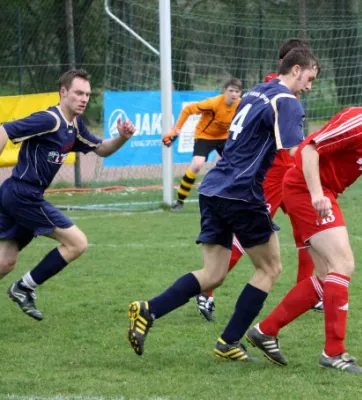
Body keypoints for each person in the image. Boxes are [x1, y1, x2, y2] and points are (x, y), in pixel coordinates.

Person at [127, 48, 320, 359]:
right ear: (296, 69)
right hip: (241, 193)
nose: (310, 86)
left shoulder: (257, 91)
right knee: (270, 268)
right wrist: (320, 186)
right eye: (310, 78)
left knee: (213, 273)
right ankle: (229, 342)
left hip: (213, 188)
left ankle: (148, 310)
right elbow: (297, 152)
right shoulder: (286, 101)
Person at [245, 74, 362, 373]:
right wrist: (318, 194)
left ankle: (266, 331)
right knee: (343, 264)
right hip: (307, 191)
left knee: (325, 278)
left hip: (315, 192)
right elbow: (308, 149)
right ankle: (334, 352)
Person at [194, 38, 320, 323]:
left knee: (309, 229)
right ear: (291, 66)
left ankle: (309, 292)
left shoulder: (274, 89)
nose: (309, 85)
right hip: (272, 174)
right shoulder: (276, 90)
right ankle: (207, 290)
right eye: (309, 76)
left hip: (291, 173)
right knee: (249, 236)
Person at [0, 69, 136, 320]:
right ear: (63, 92)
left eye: (87, 94)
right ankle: (23, 287)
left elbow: (102, 149)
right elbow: (5, 129)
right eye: (78, 93)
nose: (84, 98)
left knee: (5, 262)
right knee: (77, 242)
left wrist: (122, 138)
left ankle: (22, 286)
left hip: (18, 195)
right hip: (22, 195)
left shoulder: (75, 126)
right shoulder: (49, 119)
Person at [163, 78, 243, 211]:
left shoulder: (242, 105)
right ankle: (180, 201)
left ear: (241, 93)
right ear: (225, 91)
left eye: (237, 91)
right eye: (231, 91)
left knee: (236, 166)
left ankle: (230, 199)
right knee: (197, 164)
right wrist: (175, 131)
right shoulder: (212, 103)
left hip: (224, 137)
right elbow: (188, 109)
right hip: (205, 136)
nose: (234, 94)